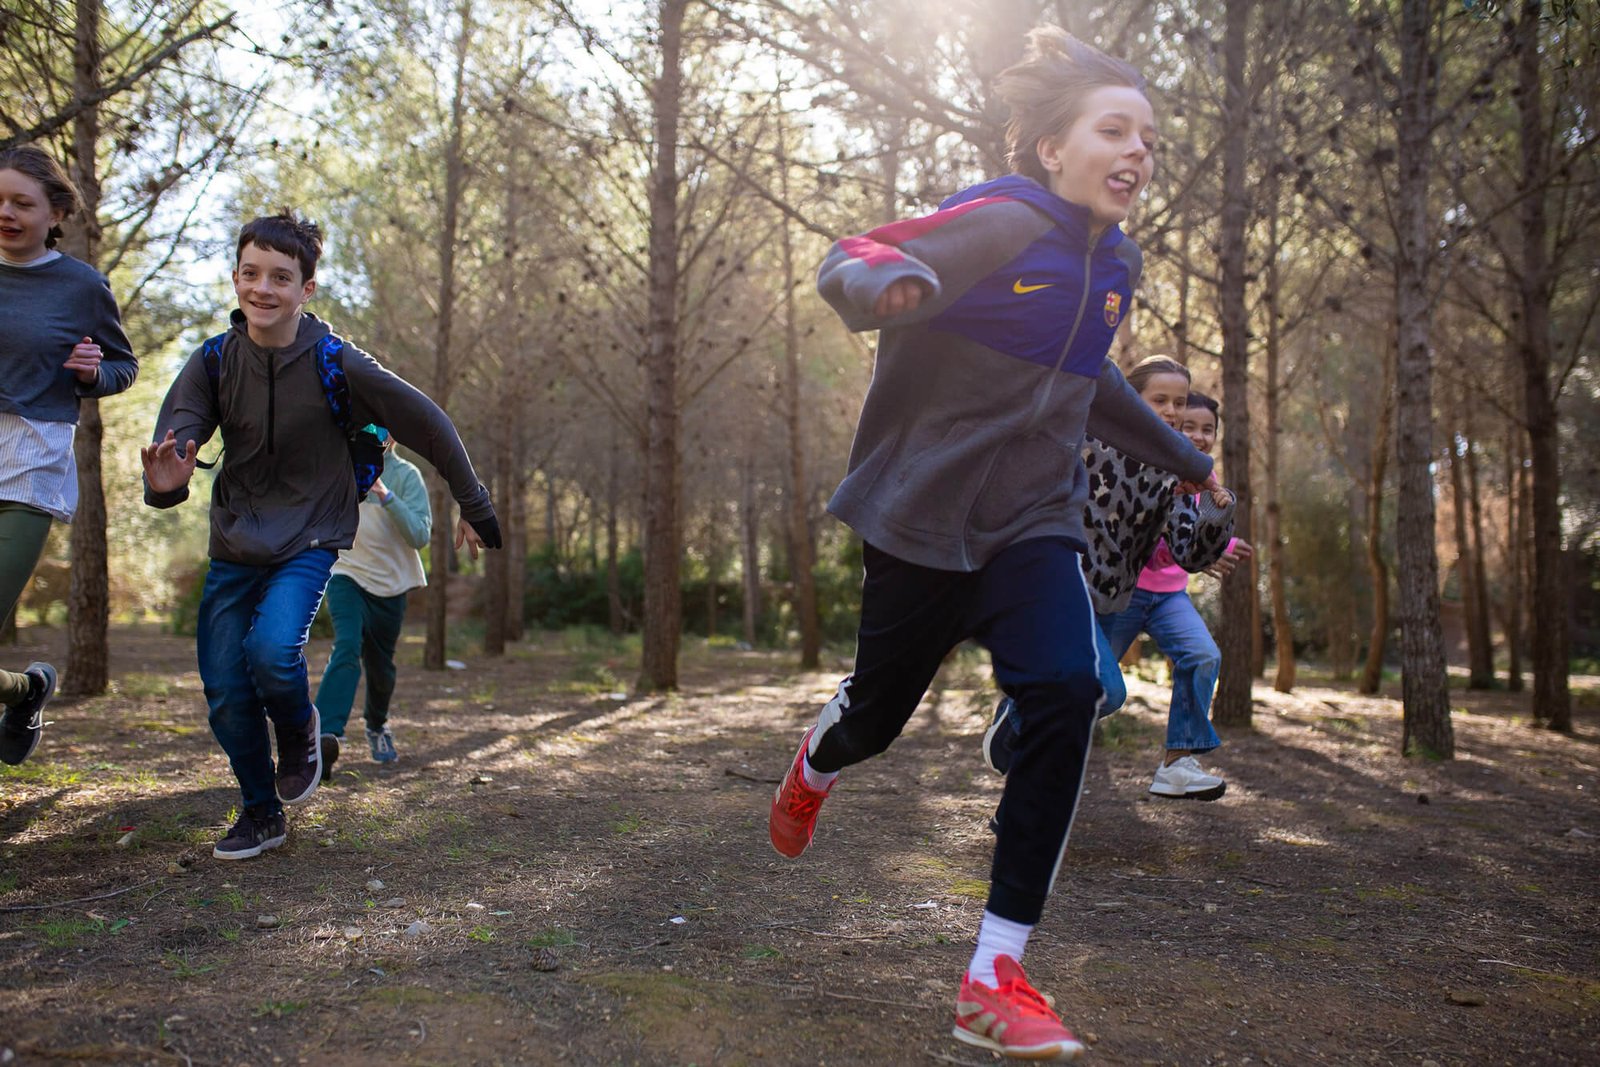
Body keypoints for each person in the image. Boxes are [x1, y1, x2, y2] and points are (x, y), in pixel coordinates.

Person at [766, 28, 1221, 1061]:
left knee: (1069, 688)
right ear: (1050, 147)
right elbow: (857, 254)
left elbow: (1087, 379)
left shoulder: (1117, 261)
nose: (1137, 151)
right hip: (922, 519)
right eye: (1114, 130)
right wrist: (883, 290)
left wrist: (1185, 462)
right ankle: (815, 759)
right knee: (876, 718)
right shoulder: (1003, 222)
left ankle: (991, 972)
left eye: (1148, 135)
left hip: (1031, 521)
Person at [141, 210, 500, 861]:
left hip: (309, 542)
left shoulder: (337, 361)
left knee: (274, 650)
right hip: (234, 547)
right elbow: (180, 433)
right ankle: (259, 811)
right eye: (251, 273)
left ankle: (301, 728)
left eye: (281, 276)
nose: (263, 288)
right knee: (223, 691)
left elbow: (428, 421)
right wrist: (168, 479)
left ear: (307, 288)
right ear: (235, 278)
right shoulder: (216, 360)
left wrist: (472, 502)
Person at [985, 365, 1245, 802]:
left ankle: (1021, 740)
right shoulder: (1095, 438)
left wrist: (1215, 508)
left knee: (1093, 699)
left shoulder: (1174, 469)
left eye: (1179, 403)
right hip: (1062, 580)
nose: (1171, 412)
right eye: (1159, 400)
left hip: (1110, 600)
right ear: (1131, 401)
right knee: (1105, 690)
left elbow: (1189, 554)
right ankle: (1018, 720)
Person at [0, 145, 137, 766]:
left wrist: (91, 374)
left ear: (54, 212)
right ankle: (26, 690)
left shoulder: (81, 286)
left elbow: (122, 366)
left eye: (21, 203)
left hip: (31, 459)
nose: (6, 213)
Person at [313, 430, 429, 774]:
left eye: (383, 427)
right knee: (347, 645)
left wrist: (386, 495)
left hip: (391, 586)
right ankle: (323, 737)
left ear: (394, 433)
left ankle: (377, 724)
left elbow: (420, 535)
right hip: (346, 574)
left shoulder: (407, 476)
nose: (375, 433)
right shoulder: (341, 466)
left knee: (381, 668)